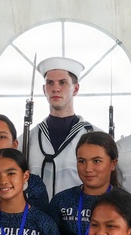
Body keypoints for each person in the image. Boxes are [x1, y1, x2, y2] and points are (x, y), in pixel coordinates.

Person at [27, 57, 98, 196]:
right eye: (50, 83)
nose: (55, 88)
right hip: (36, 216)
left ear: (76, 89)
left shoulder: (95, 136)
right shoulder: (28, 139)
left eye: (62, 82)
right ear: (44, 89)